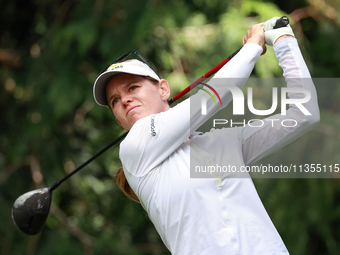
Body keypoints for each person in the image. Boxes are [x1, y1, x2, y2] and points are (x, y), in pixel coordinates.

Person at [93, 17, 319, 255]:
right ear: (119, 121)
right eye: (115, 101)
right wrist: (253, 45)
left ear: (163, 89)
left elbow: (304, 114)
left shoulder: (224, 142)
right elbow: (215, 95)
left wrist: (283, 39)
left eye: (132, 87)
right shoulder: (134, 147)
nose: (124, 100)